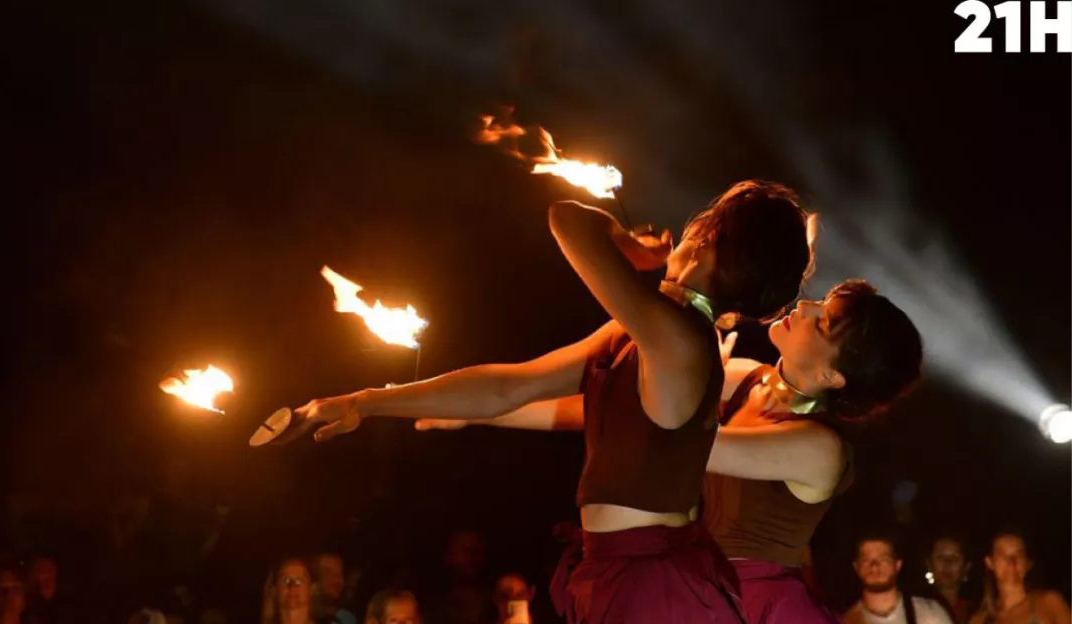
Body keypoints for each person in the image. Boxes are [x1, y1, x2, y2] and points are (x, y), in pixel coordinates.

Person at [296, 179, 814, 622]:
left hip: (653, 589)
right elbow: (509, 387)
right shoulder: (648, 330)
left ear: (708, 239)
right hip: (620, 570)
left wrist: (622, 244)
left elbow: (567, 219)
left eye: (702, 221)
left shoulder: (679, 338)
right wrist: (364, 403)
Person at [419, 279, 923, 624]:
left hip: (753, 608)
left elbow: (672, 441)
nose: (806, 307)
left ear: (834, 376)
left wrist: (684, 364)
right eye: (821, 303)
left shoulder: (820, 448)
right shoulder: (747, 377)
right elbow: (603, 408)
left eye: (823, 322)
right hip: (690, 585)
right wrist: (482, 411)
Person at [844, 534, 953, 624]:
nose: (875, 566)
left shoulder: (929, 614)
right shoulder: (845, 620)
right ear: (856, 567)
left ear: (897, 565)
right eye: (866, 560)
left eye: (883, 559)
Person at [968, 530, 1070, 624]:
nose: (1011, 561)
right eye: (1002, 555)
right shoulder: (980, 619)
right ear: (990, 562)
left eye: (1019, 555)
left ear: (1028, 563)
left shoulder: (1049, 602)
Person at [927, 536, 975, 623]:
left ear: (966, 567)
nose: (947, 563)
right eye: (940, 557)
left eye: (955, 558)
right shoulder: (916, 607)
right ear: (929, 564)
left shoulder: (979, 612)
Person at [312, 553, 357, 624]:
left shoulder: (347, 618)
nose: (338, 581)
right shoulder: (303, 614)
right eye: (333, 575)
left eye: (340, 575)